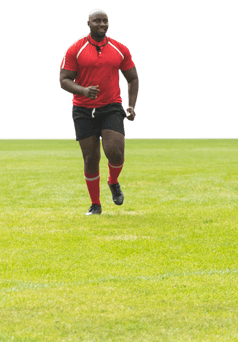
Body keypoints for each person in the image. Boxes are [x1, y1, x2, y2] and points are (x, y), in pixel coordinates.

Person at [59, 9, 139, 215]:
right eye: (97, 21)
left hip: (111, 106)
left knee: (115, 152)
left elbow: (133, 78)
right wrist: (84, 91)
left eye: (105, 21)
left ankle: (113, 181)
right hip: (83, 109)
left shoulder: (120, 49)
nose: (102, 24)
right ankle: (95, 205)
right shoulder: (74, 49)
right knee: (91, 159)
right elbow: (64, 80)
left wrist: (131, 105)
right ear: (88, 23)